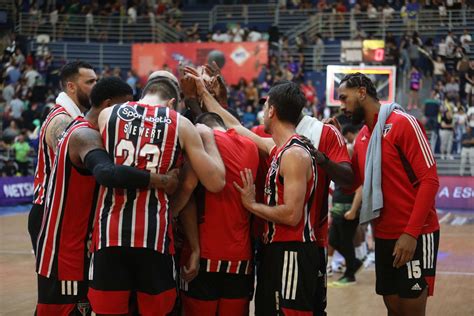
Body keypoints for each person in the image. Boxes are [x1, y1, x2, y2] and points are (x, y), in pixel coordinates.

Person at [186, 64, 353, 316]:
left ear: (272, 110)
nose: (262, 113)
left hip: (293, 251)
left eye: (265, 108)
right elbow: (234, 126)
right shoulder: (278, 147)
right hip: (276, 251)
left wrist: (252, 205)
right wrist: (203, 92)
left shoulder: (294, 154)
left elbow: (291, 215)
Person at [35, 77, 178, 316]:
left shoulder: (89, 132)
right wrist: (161, 180)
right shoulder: (85, 135)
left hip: (75, 247)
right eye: (125, 107)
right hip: (66, 254)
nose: (129, 114)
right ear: (109, 105)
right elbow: (106, 172)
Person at [87, 70, 226, 315]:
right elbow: (216, 182)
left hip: (109, 235)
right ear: (172, 102)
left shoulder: (108, 114)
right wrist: (209, 139)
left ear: (141, 94)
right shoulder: (180, 123)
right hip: (154, 237)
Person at [337, 72, 440, 316]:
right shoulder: (363, 137)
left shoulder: (403, 123)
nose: (341, 105)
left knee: (410, 311)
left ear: (362, 92)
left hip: (415, 234)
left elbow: (430, 180)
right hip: (383, 236)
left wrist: (411, 233)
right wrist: (334, 147)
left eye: (344, 98)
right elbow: (352, 184)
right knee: (393, 309)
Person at [176, 112, 259, 316]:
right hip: (240, 258)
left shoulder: (200, 141)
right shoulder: (251, 146)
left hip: (203, 255)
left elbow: (188, 193)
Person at [29, 61, 97, 254]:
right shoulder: (61, 119)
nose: (95, 87)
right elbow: (77, 158)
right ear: (71, 86)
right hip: (50, 209)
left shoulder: (76, 118)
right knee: (62, 283)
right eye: (90, 82)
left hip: (62, 210)